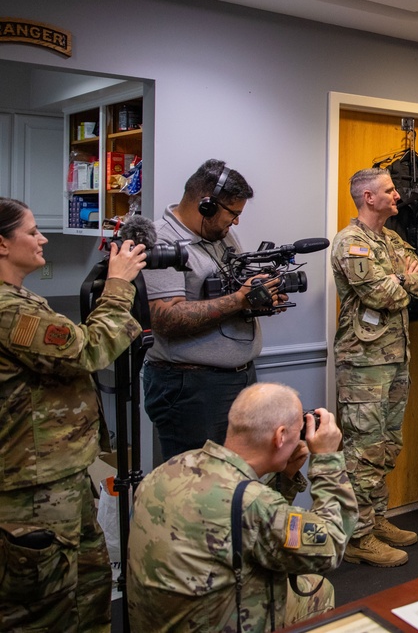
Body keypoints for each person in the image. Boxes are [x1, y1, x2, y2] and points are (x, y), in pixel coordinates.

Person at [0, 197, 147, 631]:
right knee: (46, 608)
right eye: (31, 231)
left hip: (57, 476)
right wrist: (118, 285)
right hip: (32, 493)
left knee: (87, 591)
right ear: (2, 244)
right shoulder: (8, 310)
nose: (41, 237)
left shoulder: (20, 299)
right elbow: (87, 351)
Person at [127, 382, 358, 632]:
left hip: (161, 621)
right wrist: (327, 459)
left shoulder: (170, 469)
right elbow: (332, 543)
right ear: (280, 437)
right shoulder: (255, 504)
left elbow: (244, 518)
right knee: (319, 591)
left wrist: (285, 477)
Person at [142, 159, 283, 462]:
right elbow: (166, 318)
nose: (236, 223)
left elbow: (235, 291)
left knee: (236, 478)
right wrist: (240, 300)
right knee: (196, 485)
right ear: (206, 205)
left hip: (238, 377)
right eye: (232, 213)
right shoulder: (160, 241)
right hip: (191, 387)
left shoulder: (220, 236)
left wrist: (261, 298)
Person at [330, 168, 418, 567]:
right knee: (362, 450)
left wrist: (402, 281)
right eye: (389, 190)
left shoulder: (393, 240)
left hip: (395, 358)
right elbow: (379, 293)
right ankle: (357, 538)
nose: (397, 196)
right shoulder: (350, 242)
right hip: (363, 364)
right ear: (368, 197)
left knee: (388, 446)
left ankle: (375, 519)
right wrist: (401, 281)